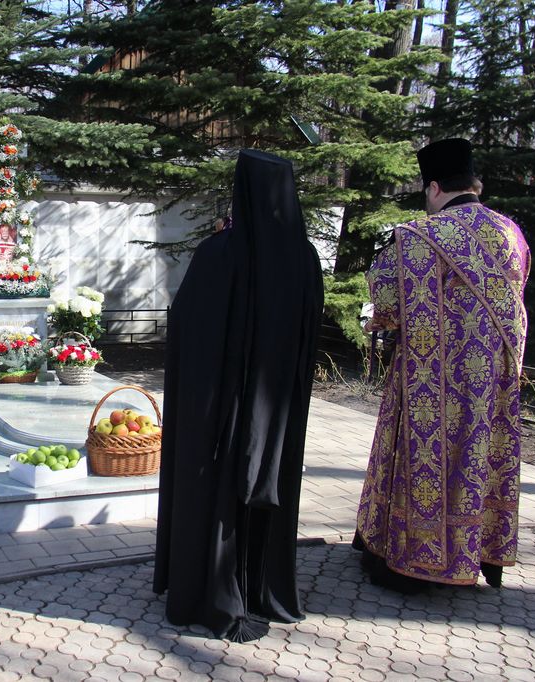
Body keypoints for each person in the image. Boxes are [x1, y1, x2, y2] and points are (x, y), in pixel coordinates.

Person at [154, 150, 323, 641]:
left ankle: (209, 592)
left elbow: (185, 326)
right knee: (268, 482)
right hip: (277, 412)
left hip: (220, 413)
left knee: (215, 491)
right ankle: (262, 590)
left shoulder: (218, 253)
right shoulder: (305, 258)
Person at [353, 138, 530, 591]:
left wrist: (377, 319)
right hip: (493, 380)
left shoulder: (420, 235)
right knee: (479, 458)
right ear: (474, 184)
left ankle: (416, 562)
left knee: (425, 458)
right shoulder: (512, 232)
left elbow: (386, 302)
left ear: (434, 187)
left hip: (430, 380)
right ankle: (480, 554)